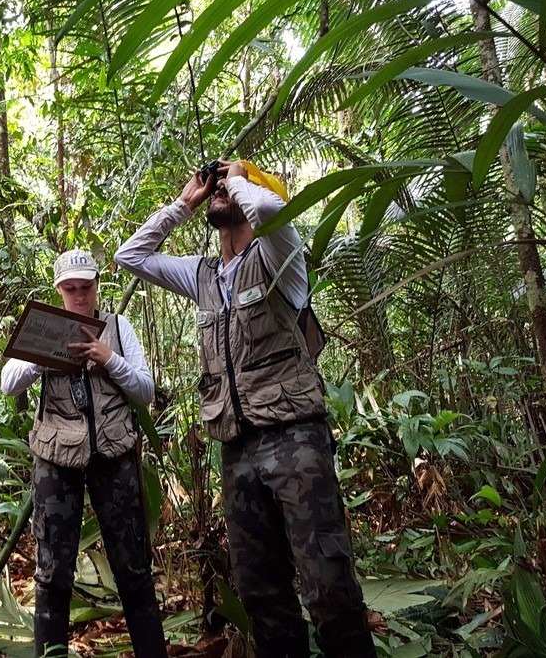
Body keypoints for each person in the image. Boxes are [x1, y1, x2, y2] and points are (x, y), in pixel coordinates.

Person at [114, 161, 375, 658]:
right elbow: (132, 256)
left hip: (295, 437)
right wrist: (185, 203)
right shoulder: (202, 274)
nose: (220, 190)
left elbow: (274, 210)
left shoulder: (281, 255)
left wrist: (239, 176)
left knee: (328, 582)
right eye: (218, 186)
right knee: (260, 590)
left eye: (229, 188)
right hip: (236, 448)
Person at [1, 249, 167, 657]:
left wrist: (108, 359)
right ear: (59, 290)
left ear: (96, 286)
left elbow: (145, 390)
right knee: (53, 575)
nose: (79, 296)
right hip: (56, 462)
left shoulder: (118, 326)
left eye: (86, 288)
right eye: (70, 289)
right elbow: (8, 383)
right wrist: (45, 355)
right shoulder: (43, 326)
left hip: (115, 457)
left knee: (134, 573)